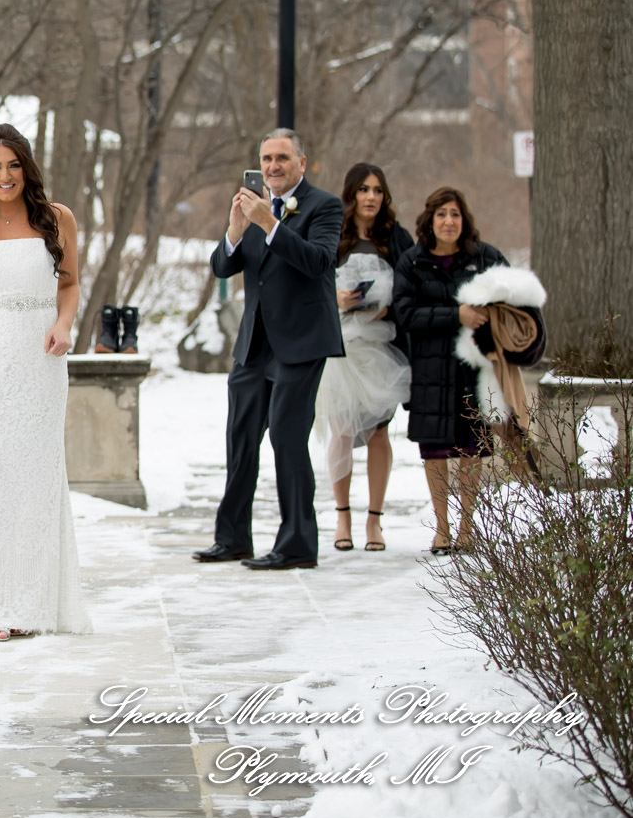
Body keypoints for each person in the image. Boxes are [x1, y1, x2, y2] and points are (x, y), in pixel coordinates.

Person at [0, 123, 91, 640]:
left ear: (27, 168)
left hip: (41, 359)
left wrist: (64, 324)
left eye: (13, 164)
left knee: (36, 475)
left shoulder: (57, 219)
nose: (5, 176)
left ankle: (33, 605)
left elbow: (69, 287)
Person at [193, 129, 344, 571]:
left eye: (282, 158)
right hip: (254, 342)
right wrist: (236, 230)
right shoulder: (253, 209)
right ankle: (233, 538)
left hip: (302, 342)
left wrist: (270, 223)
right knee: (240, 439)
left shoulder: (324, 206)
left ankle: (297, 543)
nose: (273, 166)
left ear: (302, 161)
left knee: (286, 437)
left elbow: (319, 262)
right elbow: (223, 266)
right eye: (266, 158)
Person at [392, 187, 508, 555]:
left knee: (472, 450)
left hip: (473, 370)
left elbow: (510, 296)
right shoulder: (412, 261)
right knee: (436, 451)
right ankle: (442, 528)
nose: (448, 221)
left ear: (465, 220)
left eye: (455, 214)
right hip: (429, 370)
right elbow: (405, 314)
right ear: (430, 220)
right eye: (441, 214)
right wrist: (455, 315)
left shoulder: (485, 257)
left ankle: (467, 527)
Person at [316, 163, 414, 552]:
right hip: (339, 348)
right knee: (340, 431)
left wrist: (388, 308)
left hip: (380, 347)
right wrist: (334, 298)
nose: (371, 197)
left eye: (377, 190)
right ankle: (343, 517)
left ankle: (375, 521)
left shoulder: (397, 238)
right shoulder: (332, 235)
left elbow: (410, 287)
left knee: (378, 433)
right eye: (364, 190)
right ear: (351, 193)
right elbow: (311, 279)